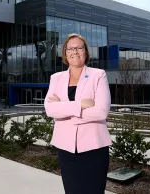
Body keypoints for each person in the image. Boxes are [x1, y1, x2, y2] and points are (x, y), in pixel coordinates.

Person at [44, 33, 112, 194]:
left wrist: (64, 111)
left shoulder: (98, 75)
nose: (75, 51)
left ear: (86, 52)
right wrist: (81, 105)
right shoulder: (56, 78)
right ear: (65, 53)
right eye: (70, 48)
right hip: (66, 148)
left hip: (94, 147)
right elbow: (50, 109)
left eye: (79, 48)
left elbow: (101, 112)